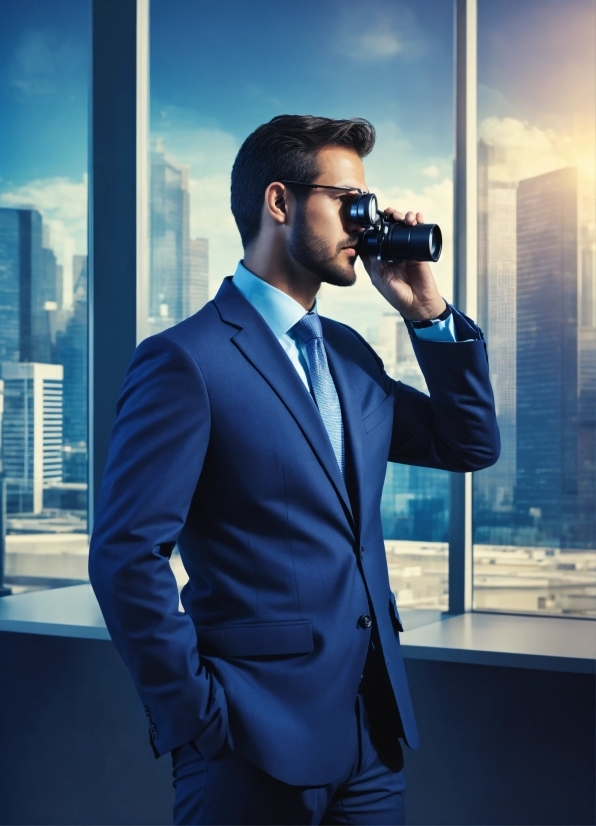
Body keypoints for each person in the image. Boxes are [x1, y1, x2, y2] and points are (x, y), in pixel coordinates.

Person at [88, 114, 499, 825]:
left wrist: (426, 310)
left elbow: (468, 443)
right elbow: (126, 556)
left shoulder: (349, 354)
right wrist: (199, 720)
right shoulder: (186, 360)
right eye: (349, 202)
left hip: (372, 740)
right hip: (248, 744)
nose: (366, 224)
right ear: (279, 202)